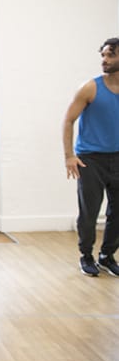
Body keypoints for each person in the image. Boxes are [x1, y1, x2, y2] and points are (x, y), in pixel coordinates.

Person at [62, 37, 119, 277]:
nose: (104, 60)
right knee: (89, 212)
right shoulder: (90, 88)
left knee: (117, 212)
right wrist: (69, 156)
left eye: (110, 55)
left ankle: (107, 255)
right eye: (103, 55)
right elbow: (68, 120)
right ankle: (86, 255)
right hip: (90, 159)